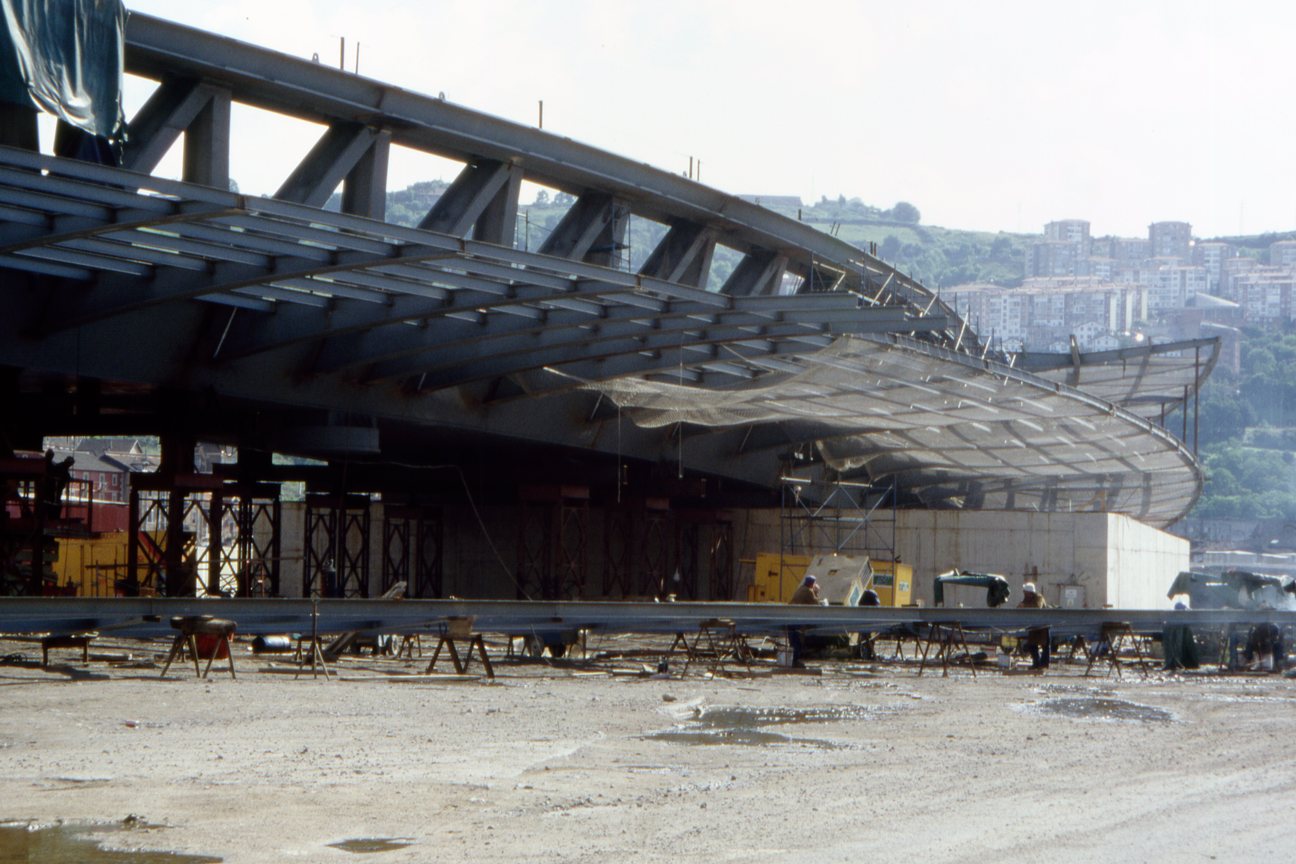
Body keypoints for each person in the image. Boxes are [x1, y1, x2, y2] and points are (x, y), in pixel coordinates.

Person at [787, 575, 821, 668]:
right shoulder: (808, 591)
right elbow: (816, 604)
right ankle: (795, 661)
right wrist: (816, 592)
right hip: (797, 619)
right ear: (812, 584)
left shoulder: (800, 589)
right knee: (798, 639)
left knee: (792, 639)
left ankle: (792, 661)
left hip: (790, 617)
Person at [1017, 581, 1050, 669]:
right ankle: (1036, 663)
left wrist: (1024, 606)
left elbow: (1037, 607)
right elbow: (1021, 606)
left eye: (1025, 592)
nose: (1024, 593)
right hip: (1034, 625)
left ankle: (1044, 664)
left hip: (1043, 625)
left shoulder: (1039, 597)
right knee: (1032, 645)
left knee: (1045, 645)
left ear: (1029, 593)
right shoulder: (1027, 599)